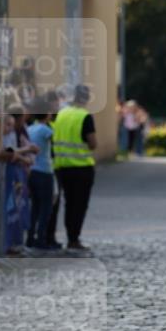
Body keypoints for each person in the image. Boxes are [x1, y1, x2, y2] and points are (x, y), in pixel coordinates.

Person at [51, 83, 97, 255]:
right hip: (81, 167)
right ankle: (73, 239)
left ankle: (55, 237)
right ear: (86, 98)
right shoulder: (85, 116)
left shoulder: (61, 114)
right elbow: (92, 143)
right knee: (79, 205)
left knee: (66, 203)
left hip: (61, 166)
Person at [26, 110, 55, 252]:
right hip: (44, 170)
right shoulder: (46, 130)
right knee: (45, 207)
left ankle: (30, 237)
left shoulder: (29, 128)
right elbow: (54, 143)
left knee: (35, 207)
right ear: (47, 114)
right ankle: (41, 238)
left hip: (32, 170)